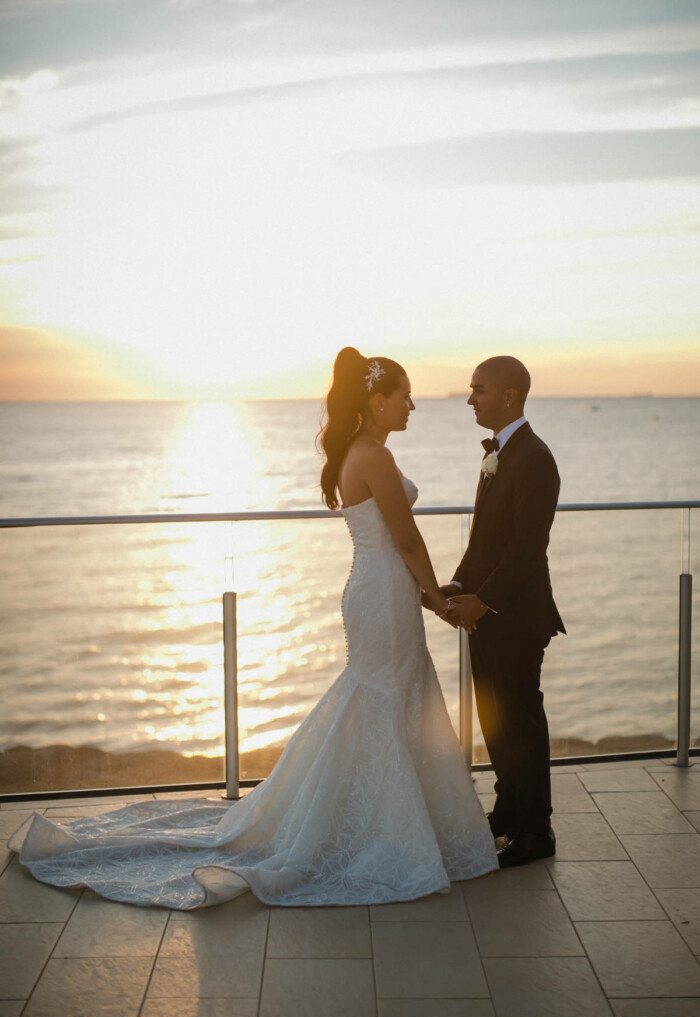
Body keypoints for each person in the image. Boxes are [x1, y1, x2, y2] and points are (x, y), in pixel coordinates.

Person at [10, 347, 497, 908]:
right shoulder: (374, 457)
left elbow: (395, 544)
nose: (412, 405)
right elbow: (407, 539)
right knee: (384, 697)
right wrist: (436, 599)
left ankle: (387, 822)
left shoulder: (359, 453)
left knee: (382, 699)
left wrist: (424, 591)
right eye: (404, 395)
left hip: (379, 587)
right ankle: (378, 830)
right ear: (375, 400)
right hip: (383, 594)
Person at [434, 356, 565, 868]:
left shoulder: (535, 457)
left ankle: (538, 832)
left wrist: (483, 600)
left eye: (479, 390)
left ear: (509, 395)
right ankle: (509, 813)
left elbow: (527, 547)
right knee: (497, 722)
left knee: (521, 724)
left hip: (516, 615)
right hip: (487, 611)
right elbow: (484, 540)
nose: (470, 398)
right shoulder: (496, 455)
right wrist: (459, 585)